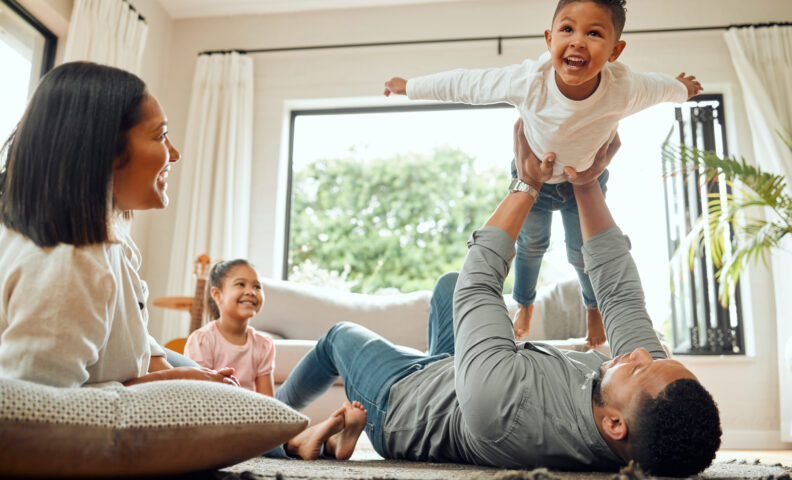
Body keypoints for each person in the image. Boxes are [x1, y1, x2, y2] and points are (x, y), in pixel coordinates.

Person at [275, 119, 721, 475]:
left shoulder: (505, 412)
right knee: (446, 284)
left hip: (401, 404)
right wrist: (587, 185)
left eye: (640, 365)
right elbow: (620, 295)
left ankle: (274, 432)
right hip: (459, 377)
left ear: (614, 425)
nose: (640, 353)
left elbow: (480, 283)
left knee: (339, 336)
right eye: (653, 356)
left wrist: (527, 183)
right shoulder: (634, 405)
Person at [0, 61, 357, 461]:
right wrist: (163, 384)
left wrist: (170, 373)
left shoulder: (109, 238)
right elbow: (34, 413)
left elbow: (132, 336)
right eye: (161, 136)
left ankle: (295, 438)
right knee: (234, 397)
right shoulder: (67, 265)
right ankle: (294, 441)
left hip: (145, 360)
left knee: (228, 389)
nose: (175, 153)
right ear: (104, 150)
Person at [383, 0, 703, 348]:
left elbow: (660, 88)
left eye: (594, 33)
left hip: (584, 179)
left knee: (581, 252)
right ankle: (524, 303)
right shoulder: (528, 80)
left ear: (615, 51)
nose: (578, 41)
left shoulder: (623, 88)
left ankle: (592, 307)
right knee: (531, 245)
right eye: (568, 29)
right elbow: (467, 84)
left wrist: (682, 89)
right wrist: (411, 86)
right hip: (534, 178)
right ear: (549, 39)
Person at [185, 258, 367, 459]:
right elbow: (199, 399)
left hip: (255, 417)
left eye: (257, 286)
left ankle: (327, 443)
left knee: (269, 429)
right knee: (247, 442)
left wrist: (272, 425)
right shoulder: (202, 340)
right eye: (240, 284)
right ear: (217, 294)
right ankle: (316, 443)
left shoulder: (263, 344)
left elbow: (269, 403)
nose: (251, 291)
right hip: (218, 420)